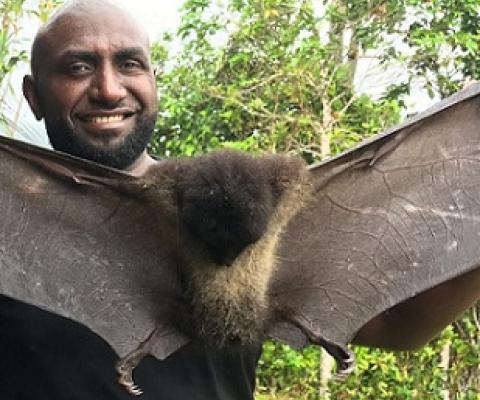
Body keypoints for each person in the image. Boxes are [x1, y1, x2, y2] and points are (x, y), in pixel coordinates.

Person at [0, 1, 261, 399]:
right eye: (78, 68)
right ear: (34, 97)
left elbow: (391, 329)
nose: (108, 89)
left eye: (129, 64)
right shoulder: (8, 220)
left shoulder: (233, 205)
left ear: (154, 81)